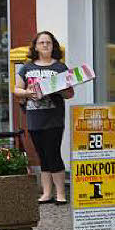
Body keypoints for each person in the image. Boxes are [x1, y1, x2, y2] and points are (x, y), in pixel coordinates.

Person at [14, 30, 74, 204]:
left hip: (54, 118)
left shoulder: (60, 68)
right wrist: (27, 92)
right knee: (42, 155)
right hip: (34, 118)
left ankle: (61, 194)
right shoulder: (27, 67)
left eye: (48, 42)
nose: (45, 45)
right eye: (42, 43)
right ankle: (47, 193)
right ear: (36, 47)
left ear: (53, 45)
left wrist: (59, 88)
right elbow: (17, 89)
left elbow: (70, 94)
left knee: (53, 153)